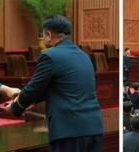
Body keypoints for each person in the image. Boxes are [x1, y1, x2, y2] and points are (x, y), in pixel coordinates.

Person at [7, 15, 103, 152]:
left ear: (48, 34)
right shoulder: (84, 55)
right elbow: (62, 87)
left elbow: (34, 88)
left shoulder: (50, 56)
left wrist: (16, 106)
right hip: (93, 127)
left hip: (68, 130)